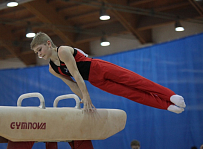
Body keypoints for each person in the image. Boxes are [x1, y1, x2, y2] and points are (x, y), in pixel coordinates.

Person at [30, 32, 186, 114]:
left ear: (48, 44)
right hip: (97, 81)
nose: (39, 54)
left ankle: (170, 96)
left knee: (137, 82)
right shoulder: (52, 69)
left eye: (40, 50)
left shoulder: (63, 51)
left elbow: (76, 74)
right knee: (131, 93)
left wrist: (87, 97)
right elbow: (72, 84)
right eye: (36, 52)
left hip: (99, 68)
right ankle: (166, 106)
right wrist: (85, 102)